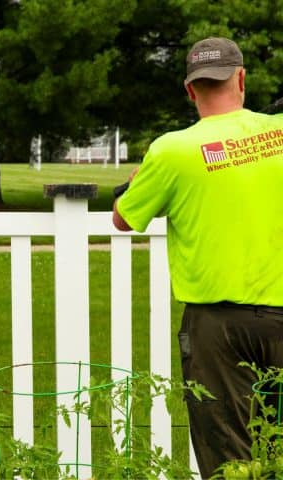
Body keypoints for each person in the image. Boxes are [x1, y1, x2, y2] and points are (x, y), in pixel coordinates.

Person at [112, 36, 283, 478]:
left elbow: (124, 219)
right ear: (241, 78)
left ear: (191, 90)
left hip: (216, 329)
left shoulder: (170, 152)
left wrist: (139, 181)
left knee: (231, 460)